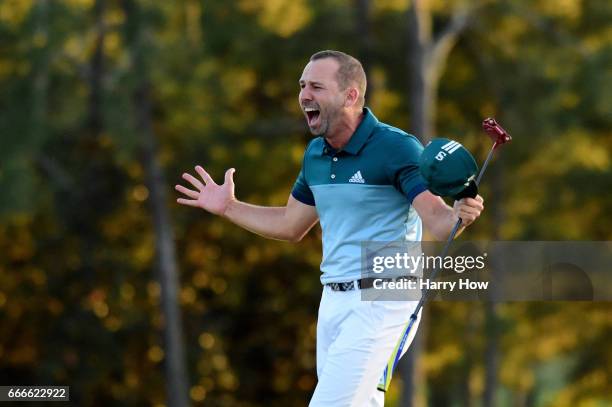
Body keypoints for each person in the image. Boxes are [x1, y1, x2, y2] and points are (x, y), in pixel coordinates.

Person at [175, 50, 484, 406]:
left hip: (384, 298)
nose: (304, 95)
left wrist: (461, 212)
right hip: (333, 300)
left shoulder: (396, 148)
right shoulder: (315, 155)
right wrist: (229, 207)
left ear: (350, 95)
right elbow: (291, 225)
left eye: (316, 86)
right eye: (302, 85)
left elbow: (438, 220)